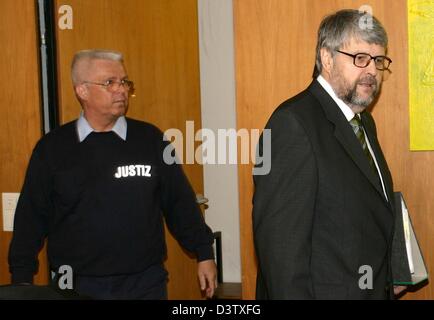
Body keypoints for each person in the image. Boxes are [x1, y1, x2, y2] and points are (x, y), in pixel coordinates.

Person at [8, 49, 217, 300]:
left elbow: (179, 202)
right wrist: (22, 281)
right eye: (110, 83)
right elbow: (30, 219)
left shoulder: (150, 140)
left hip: (144, 284)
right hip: (74, 287)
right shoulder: (52, 149)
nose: (121, 90)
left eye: (124, 82)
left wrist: (204, 253)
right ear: (81, 90)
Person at [253, 9, 404, 299]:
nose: (371, 71)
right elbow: (281, 256)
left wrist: (388, 275)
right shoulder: (292, 124)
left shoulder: (363, 122)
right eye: (360, 58)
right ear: (326, 58)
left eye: (378, 61)